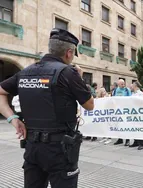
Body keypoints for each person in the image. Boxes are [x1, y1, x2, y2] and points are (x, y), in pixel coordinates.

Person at [0, 28, 94, 188]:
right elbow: (89, 105)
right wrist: (79, 78)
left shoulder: (26, 72)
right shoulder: (68, 73)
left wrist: (13, 119)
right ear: (69, 53)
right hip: (60, 150)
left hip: (32, 148)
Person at [113, 79, 132, 146]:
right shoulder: (115, 90)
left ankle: (127, 140)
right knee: (118, 125)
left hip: (125, 110)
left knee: (126, 125)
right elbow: (113, 99)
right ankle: (120, 139)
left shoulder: (127, 90)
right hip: (118, 110)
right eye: (121, 84)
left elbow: (130, 99)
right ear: (118, 84)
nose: (123, 85)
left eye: (124, 84)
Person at [128, 81, 143, 149]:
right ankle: (136, 142)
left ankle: (141, 144)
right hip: (133, 113)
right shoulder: (132, 94)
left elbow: (142, 102)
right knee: (134, 128)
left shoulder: (140, 94)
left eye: (132, 85)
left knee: (140, 128)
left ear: (135, 86)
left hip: (139, 113)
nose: (131, 87)